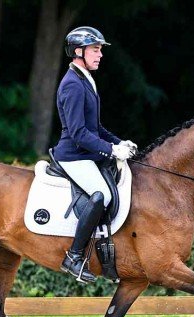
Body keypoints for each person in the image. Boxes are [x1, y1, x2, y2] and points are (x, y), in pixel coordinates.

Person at [53, 26, 137, 284]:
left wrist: (119, 142)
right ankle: (75, 256)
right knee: (103, 194)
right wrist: (111, 150)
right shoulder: (72, 85)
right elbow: (78, 133)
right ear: (78, 51)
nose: (100, 54)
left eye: (100, 50)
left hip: (86, 152)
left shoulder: (85, 80)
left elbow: (96, 128)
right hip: (73, 156)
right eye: (95, 49)